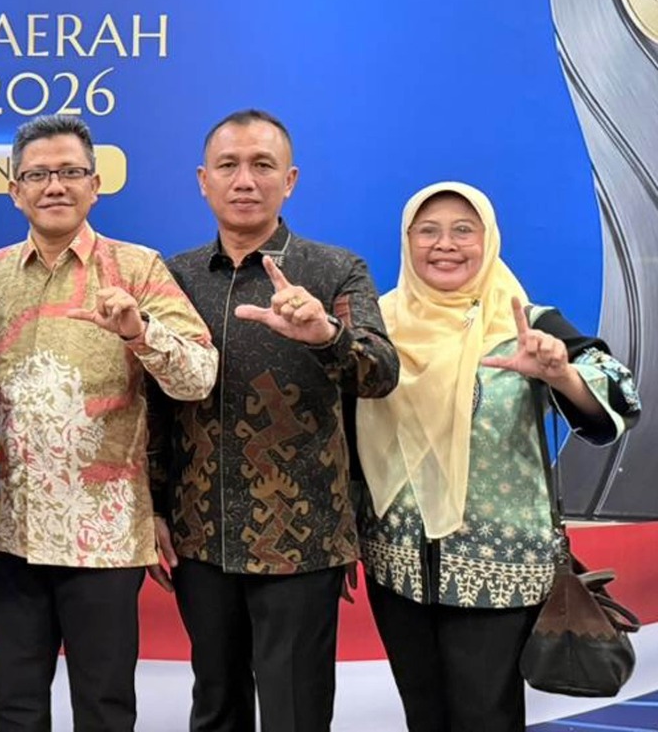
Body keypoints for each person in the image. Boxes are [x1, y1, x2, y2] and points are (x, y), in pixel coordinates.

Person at [0, 115, 217, 732]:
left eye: (70, 172)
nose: (54, 186)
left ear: (95, 184)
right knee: (15, 708)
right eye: (38, 175)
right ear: (15, 191)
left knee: (105, 707)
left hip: (103, 536)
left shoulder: (137, 270)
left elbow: (198, 377)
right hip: (4, 533)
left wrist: (139, 331)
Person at [149, 109, 400, 732]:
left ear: (289, 181)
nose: (245, 180)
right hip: (199, 536)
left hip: (303, 539)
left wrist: (326, 335)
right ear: (203, 180)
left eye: (262, 165)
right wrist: (150, 509)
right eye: (228, 165)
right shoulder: (173, 276)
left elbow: (381, 373)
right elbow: (152, 406)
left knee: (296, 712)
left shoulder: (334, 270)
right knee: (215, 707)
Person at [357, 181, 640, 732]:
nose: (445, 244)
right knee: (423, 716)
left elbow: (619, 399)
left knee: (487, 716)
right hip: (397, 567)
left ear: (489, 241)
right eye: (428, 231)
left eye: (464, 231)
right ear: (407, 242)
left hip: (500, 570)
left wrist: (561, 374)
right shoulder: (378, 328)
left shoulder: (527, 325)